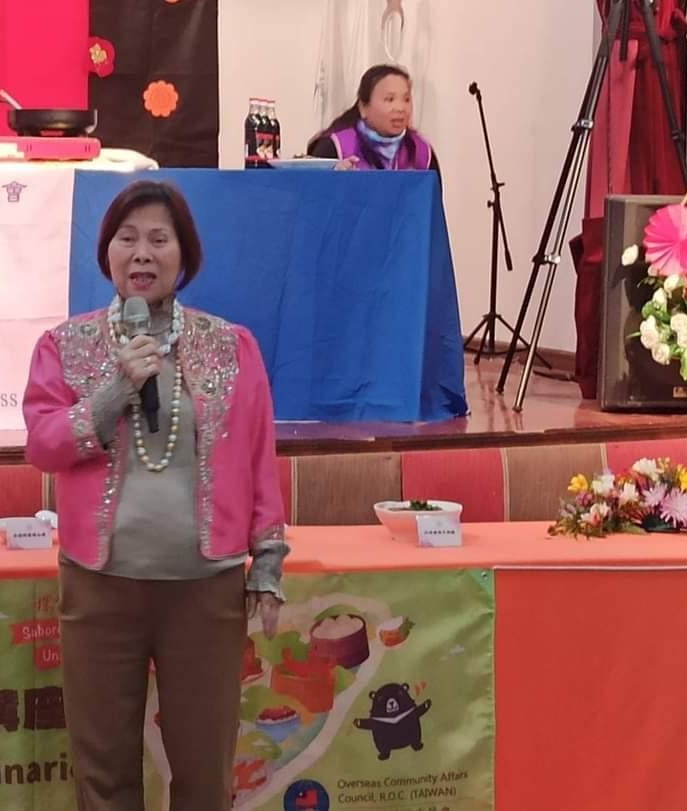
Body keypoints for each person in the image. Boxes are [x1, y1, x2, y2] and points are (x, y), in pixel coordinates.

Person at [22, 179, 289, 811]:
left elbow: (258, 456)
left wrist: (268, 561)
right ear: (107, 254)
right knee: (104, 772)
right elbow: (43, 445)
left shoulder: (230, 345)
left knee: (204, 771)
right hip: (99, 584)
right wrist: (115, 391)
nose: (142, 253)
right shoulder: (66, 346)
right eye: (127, 238)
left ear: (184, 254)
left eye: (159, 239)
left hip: (205, 588)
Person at [307, 63, 440, 176]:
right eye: (390, 99)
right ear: (363, 107)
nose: (400, 108)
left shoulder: (422, 153)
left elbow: (432, 198)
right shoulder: (335, 148)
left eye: (406, 99)